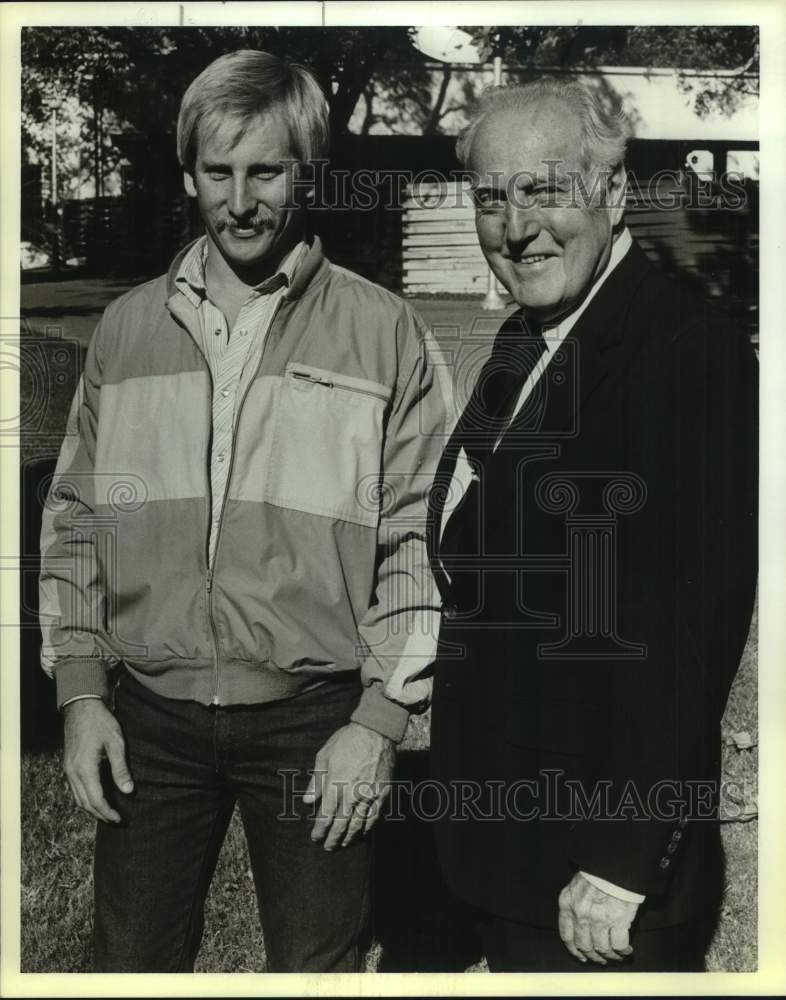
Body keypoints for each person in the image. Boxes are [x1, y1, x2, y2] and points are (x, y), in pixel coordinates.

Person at [39, 49, 451, 973]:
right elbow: (76, 518)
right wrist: (79, 691)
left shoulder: (384, 333)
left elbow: (420, 537)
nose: (240, 199)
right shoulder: (128, 329)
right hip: (149, 718)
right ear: (189, 174)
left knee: (318, 968)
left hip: (312, 722)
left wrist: (379, 718)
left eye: (265, 170)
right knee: (128, 968)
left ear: (306, 173)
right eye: (217, 172)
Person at [427, 79, 758, 972]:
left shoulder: (688, 350)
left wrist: (618, 861)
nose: (515, 226)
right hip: (507, 848)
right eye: (492, 199)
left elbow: (694, 626)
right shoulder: (526, 339)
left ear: (612, 194)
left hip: (595, 876)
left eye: (545, 191)